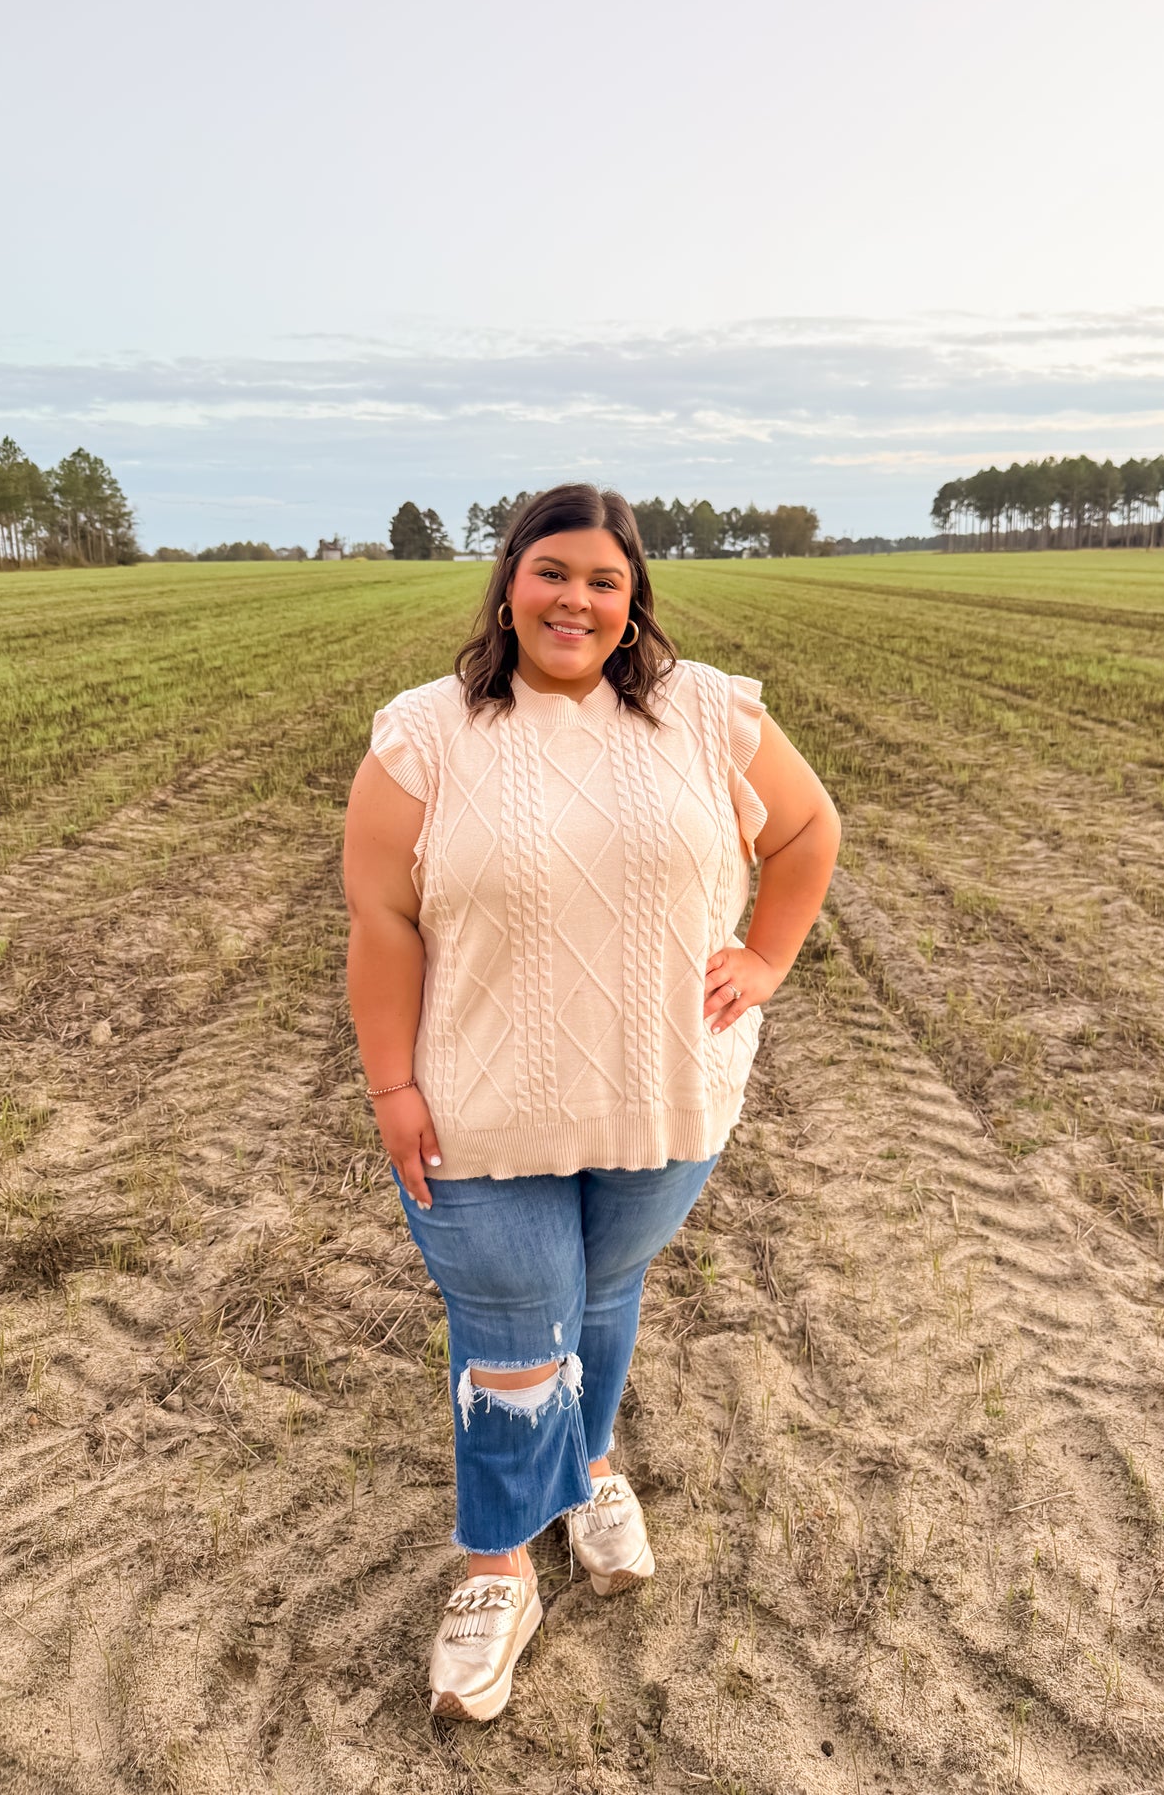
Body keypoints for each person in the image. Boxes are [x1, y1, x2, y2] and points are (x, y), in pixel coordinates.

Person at [343, 482, 840, 1721]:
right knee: (518, 1332)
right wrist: (393, 1082)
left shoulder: (708, 714)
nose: (575, 598)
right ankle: (497, 1563)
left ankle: (590, 1466)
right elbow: (382, 922)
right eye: (552, 572)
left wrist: (767, 957)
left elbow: (808, 831)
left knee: (601, 1294)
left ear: (631, 602)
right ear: (508, 581)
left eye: (603, 581)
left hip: (663, 1091)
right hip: (475, 1104)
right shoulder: (425, 733)